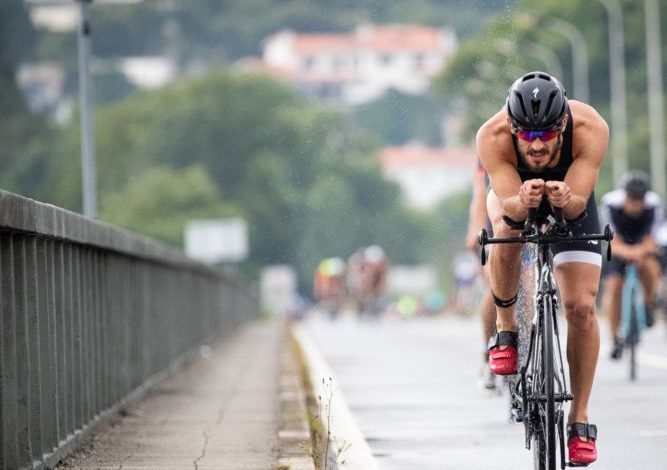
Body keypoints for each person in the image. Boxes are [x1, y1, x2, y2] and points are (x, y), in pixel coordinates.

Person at [477, 71, 609, 465]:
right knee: (504, 229)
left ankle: (580, 419)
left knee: (582, 308)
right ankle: (506, 329)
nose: (536, 145)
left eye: (547, 135)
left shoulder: (590, 127)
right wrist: (521, 199)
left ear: (563, 125)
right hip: (514, 195)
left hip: (571, 195)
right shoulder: (492, 135)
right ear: (512, 127)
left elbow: (579, 202)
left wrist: (567, 198)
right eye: (526, 136)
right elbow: (509, 206)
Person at [600, 171, 663, 359]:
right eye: (632, 199)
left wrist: (640, 252)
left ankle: (648, 303)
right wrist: (628, 252)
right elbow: (611, 240)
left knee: (651, 267)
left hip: (642, 245)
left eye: (639, 200)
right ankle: (614, 337)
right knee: (614, 286)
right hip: (619, 245)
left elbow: (652, 240)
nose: (636, 205)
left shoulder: (653, 205)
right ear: (625, 195)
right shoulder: (610, 204)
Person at [465, 159, 499, 391]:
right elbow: (479, 197)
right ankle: (489, 353)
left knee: (530, 280)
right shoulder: (492, 143)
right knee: (494, 283)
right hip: (494, 218)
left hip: (533, 216)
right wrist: (475, 231)